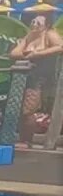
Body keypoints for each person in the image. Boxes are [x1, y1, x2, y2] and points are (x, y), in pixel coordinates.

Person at [9, 15, 62, 148]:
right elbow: (14, 53)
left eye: (38, 22)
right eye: (33, 21)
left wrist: (38, 54)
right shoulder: (30, 36)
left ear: (45, 24)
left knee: (29, 109)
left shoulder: (50, 34)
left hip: (42, 78)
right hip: (25, 76)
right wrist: (27, 54)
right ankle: (24, 138)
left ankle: (27, 140)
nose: (34, 24)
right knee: (23, 109)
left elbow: (60, 47)